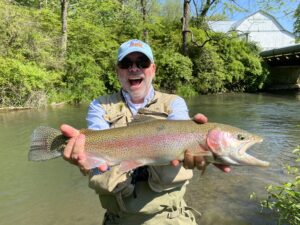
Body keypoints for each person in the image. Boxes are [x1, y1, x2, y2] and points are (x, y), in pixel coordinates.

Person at [61, 39, 230, 225]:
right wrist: (82, 155)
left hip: (170, 218)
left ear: (153, 69)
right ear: (118, 71)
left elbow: (182, 136)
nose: (134, 69)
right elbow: (96, 145)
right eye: (126, 64)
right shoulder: (99, 105)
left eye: (142, 63)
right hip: (118, 219)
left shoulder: (174, 103)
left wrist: (201, 146)